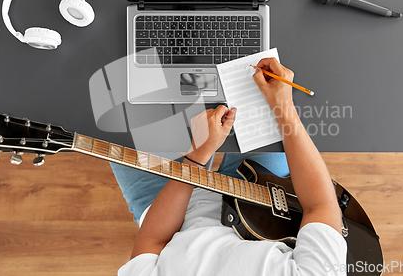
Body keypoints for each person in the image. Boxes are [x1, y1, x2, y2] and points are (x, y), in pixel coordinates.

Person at [110, 58, 347, 275]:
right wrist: (283, 105)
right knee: (254, 73)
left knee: (123, 83)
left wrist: (197, 156)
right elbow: (320, 206)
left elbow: (152, 241)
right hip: (262, 200)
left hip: (165, 206)